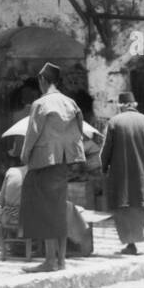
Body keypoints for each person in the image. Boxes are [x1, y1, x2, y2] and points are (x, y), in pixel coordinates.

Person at [19, 61, 86, 273]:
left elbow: (32, 134)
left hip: (43, 162)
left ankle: (49, 260)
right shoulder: (71, 103)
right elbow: (79, 130)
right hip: (63, 163)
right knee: (58, 209)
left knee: (45, 211)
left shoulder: (40, 104)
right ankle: (62, 261)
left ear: (42, 80)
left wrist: (24, 155)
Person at [102, 90, 144, 256]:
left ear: (121, 106)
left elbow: (106, 150)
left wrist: (104, 167)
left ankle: (131, 245)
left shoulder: (114, 122)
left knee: (124, 207)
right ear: (134, 105)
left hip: (121, 173)